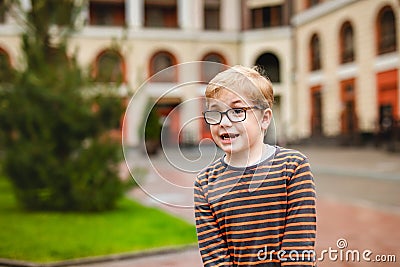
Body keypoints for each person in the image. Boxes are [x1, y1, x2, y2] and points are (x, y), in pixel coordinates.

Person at [194, 65, 316, 266]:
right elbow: (215, 258)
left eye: (237, 111)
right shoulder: (205, 183)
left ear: (264, 119)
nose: (224, 122)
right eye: (215, 112)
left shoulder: (292, 167)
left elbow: (299, 246)